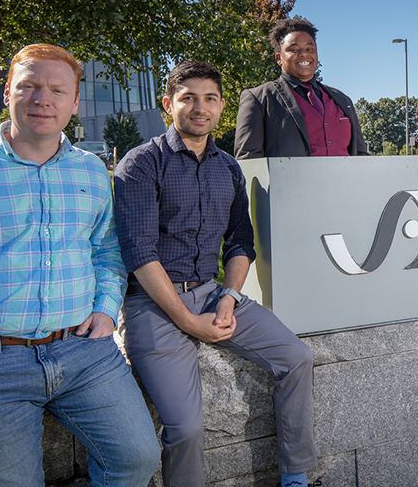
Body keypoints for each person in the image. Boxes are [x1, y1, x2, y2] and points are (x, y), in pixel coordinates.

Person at [0, 44, 161, 486]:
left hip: (82, 353)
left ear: (75, 103)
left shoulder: (91, 171)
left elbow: (105, 249)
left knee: (136, 459)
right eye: (30, 86)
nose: (43, 100)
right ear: (6, 93)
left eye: (58, 90)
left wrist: (105, 306)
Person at [114, 61, 318, 487]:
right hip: (152, 303)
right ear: (168, 103)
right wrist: (188, 321)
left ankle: (295, 477)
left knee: (297, 357)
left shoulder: (227, 167)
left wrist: (228, 297)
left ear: (222, 106)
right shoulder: (141, 163)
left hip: (211, 293)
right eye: (188, 98)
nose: (199, 107)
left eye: (209, 99)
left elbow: (241, 243)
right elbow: (139, 252)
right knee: (186, 428)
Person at [235, 16, 368, 158]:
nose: (303, 53)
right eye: (293, 49)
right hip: (288, 180)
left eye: (309, 48)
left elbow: (360, 154)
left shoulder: (343, 100)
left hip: (344, 180)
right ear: (279, 58)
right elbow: (248, 159)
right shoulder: (259, 99)